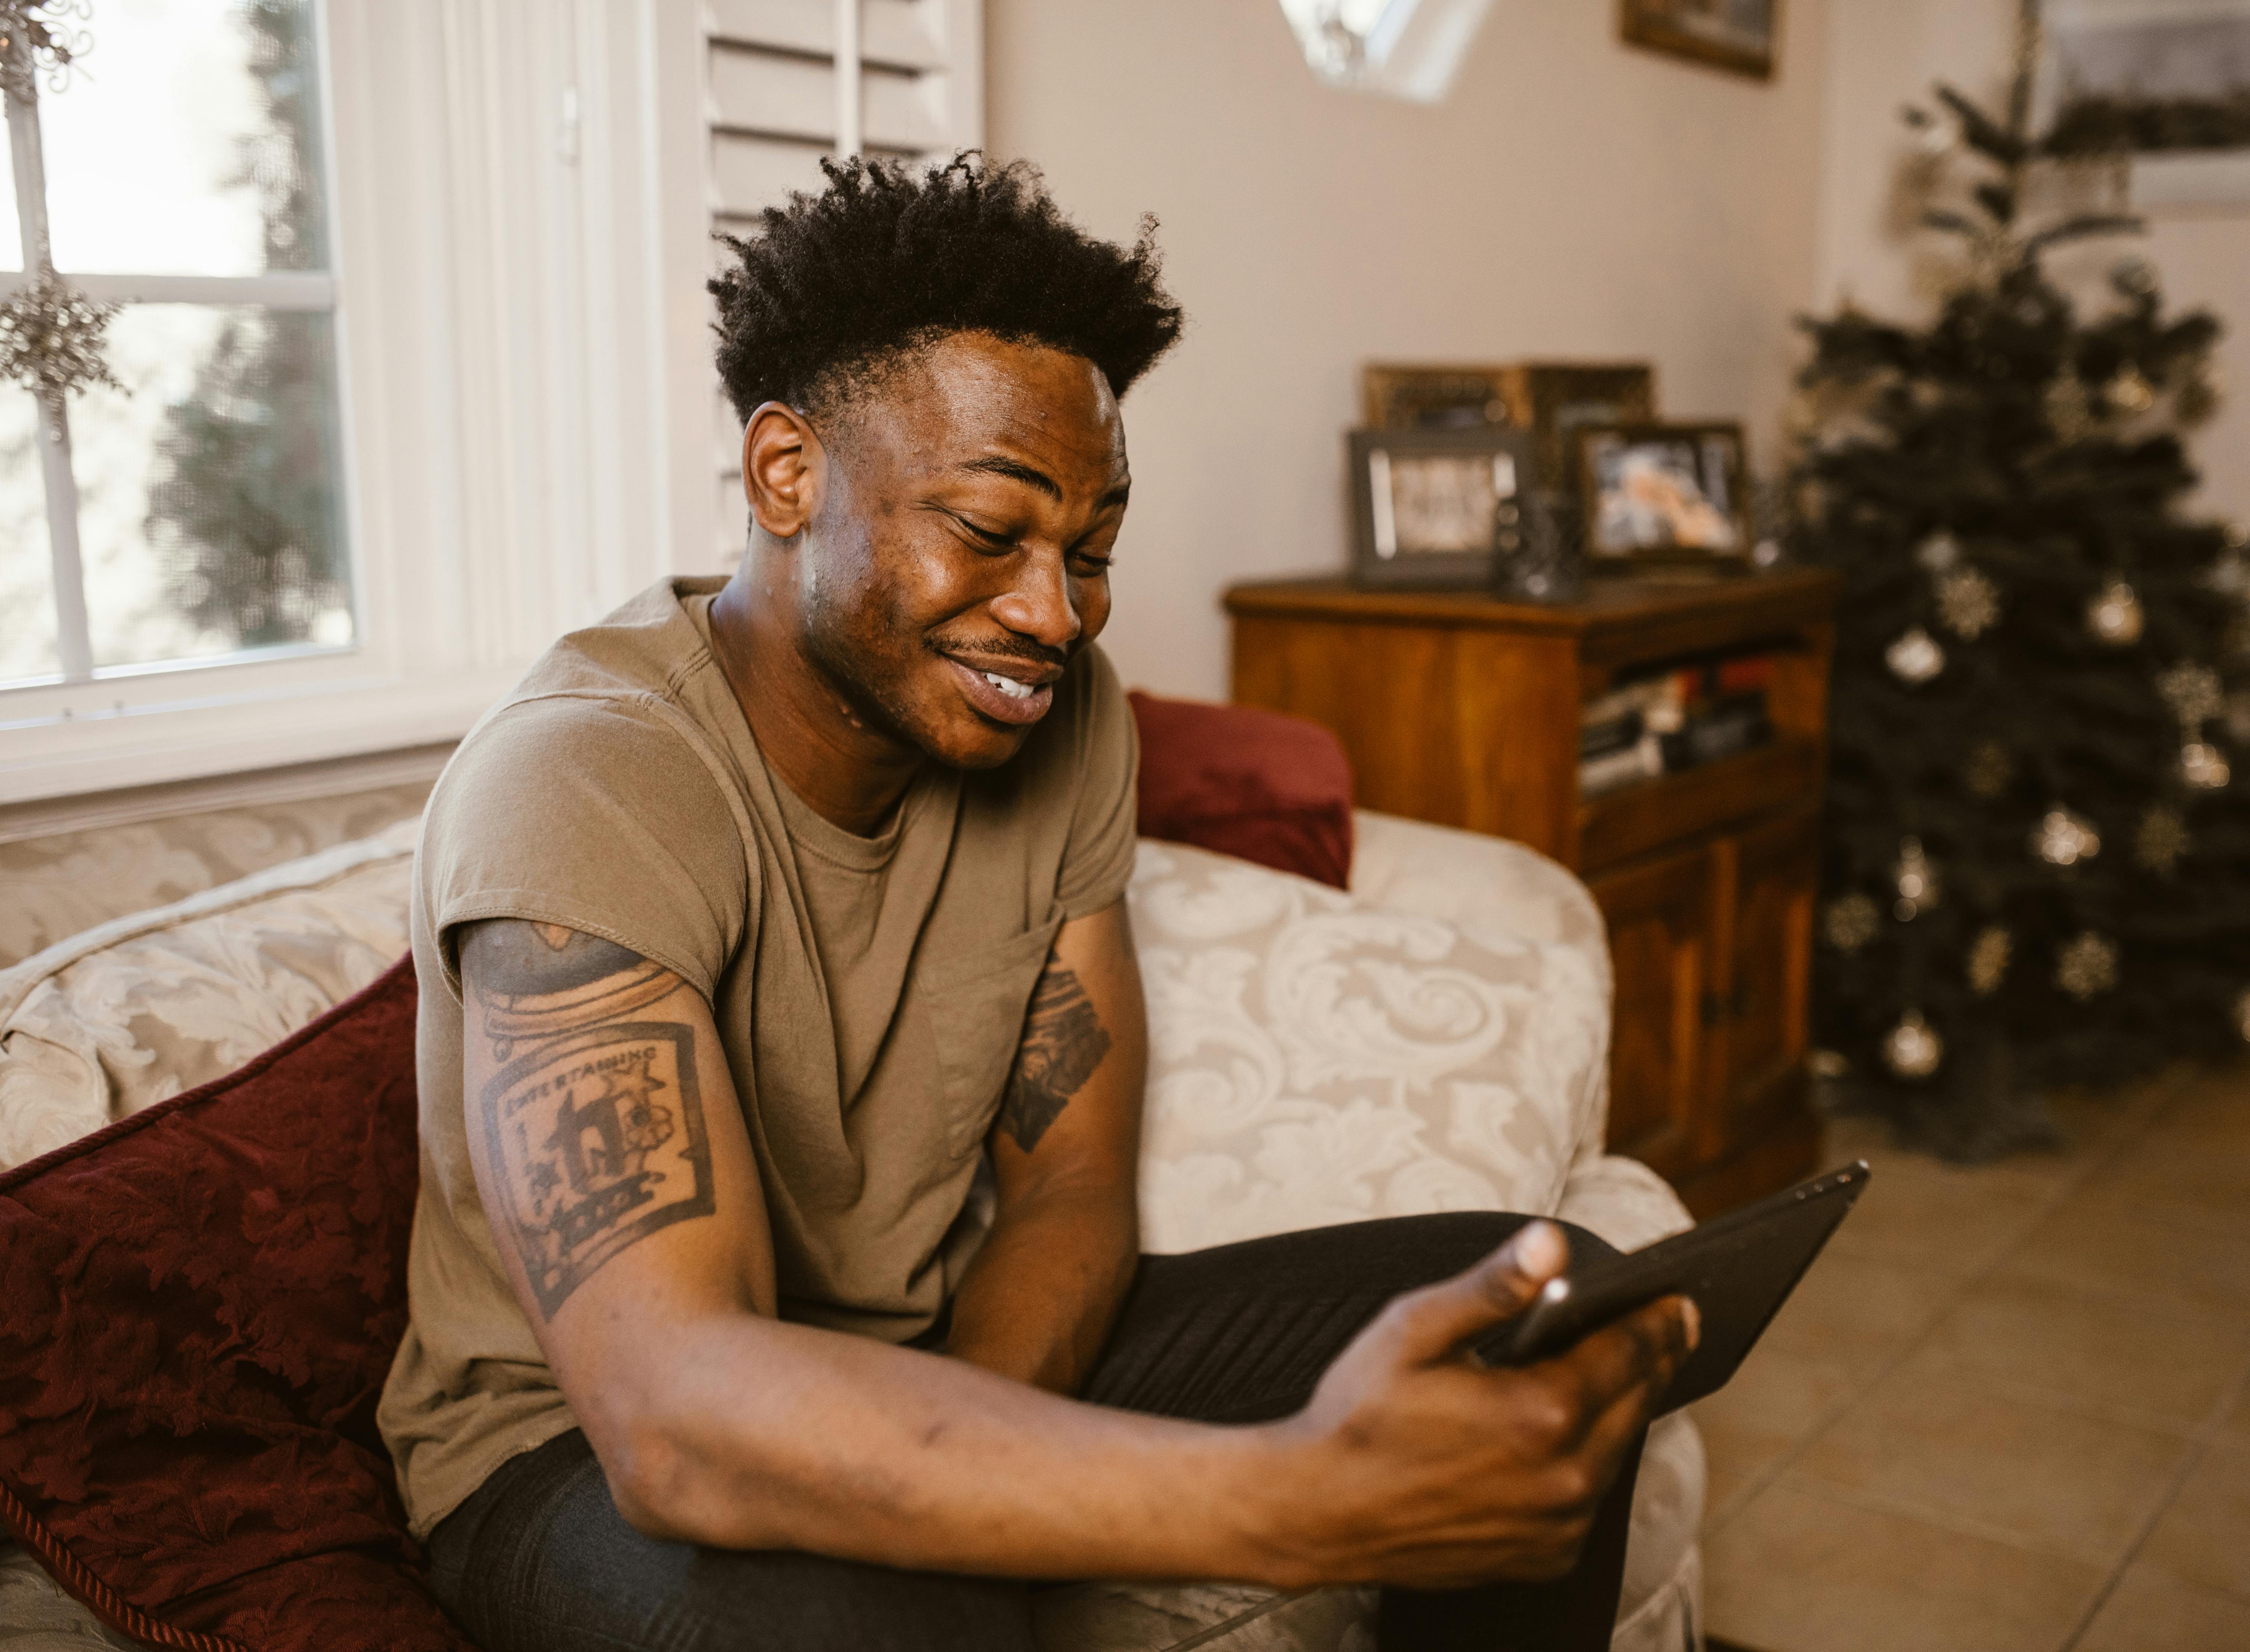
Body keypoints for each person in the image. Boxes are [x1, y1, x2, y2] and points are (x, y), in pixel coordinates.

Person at [377, 154, 1697, 1652]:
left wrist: (966, 1461)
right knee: (866, 1624)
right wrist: (1291, 1496)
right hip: (571, 1463)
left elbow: (1070, 1183)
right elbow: (676, 1414)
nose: (1053, 615)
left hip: (926, 1351)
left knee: (1550, 1315)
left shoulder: (1063, 718)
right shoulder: (586, 782)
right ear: (784, 475)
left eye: (1092, 552)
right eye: (993, 534)